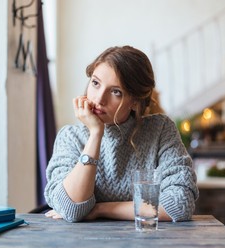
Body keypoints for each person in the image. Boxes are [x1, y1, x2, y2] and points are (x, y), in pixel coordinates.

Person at [44, 46, 198, 223]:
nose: (99, 99)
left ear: (134, 101)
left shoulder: (160, 130)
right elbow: (71, 209)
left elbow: (179, 205)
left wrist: (101, 209)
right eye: (95, 83)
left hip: (148, 244)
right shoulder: (70, 137)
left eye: (115, 91)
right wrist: (95, 134)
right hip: (82, 247)